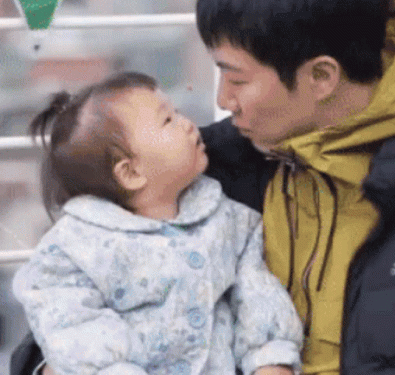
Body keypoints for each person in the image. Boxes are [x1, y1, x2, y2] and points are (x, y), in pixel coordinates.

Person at [11, 0, 395, 375]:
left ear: (321, 76)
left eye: (237, 79)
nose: (223, 101)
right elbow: (60, 320)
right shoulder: (207, 168)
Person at [12, 71, 303, 375]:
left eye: (176, 113)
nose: (188, 124)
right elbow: (73, 327)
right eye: (168, 120)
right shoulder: (74, 247)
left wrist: (270, 359)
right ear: (130, 173)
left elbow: (258, 296)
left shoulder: (230, 221)